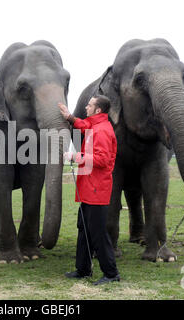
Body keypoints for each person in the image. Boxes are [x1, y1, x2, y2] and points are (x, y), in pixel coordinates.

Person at [58, 95, 120, 285]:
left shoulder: (102, 131)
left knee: (98, 233)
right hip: (88, 189)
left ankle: (111, 274)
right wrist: (69, 117)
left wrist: (76, 156)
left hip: (96, 190)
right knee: (84, 229)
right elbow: (85, 126)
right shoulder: (96, 125)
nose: (86, 107)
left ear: (98, 110)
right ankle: (83, 269)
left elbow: (101, 159)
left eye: (90, 105)